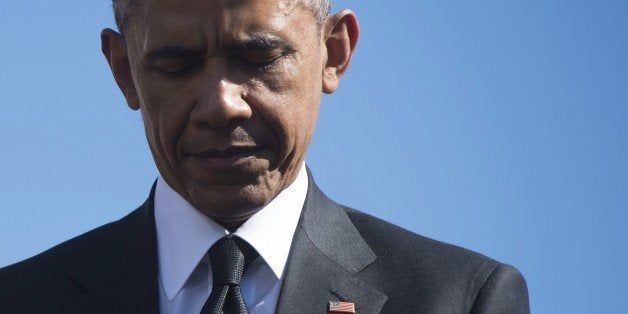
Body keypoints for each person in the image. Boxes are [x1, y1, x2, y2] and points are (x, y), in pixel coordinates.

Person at [0, 0, 529, 313]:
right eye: (177, 64)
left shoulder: (457, 300)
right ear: (123, 70)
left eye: (258, 57)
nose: (221, 104)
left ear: (334, 53)